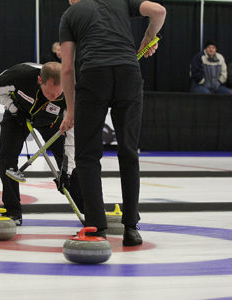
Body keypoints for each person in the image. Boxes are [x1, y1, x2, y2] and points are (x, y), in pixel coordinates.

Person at [59, 0, 166, 246]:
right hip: (128, 73)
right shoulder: (119, 1)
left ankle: (96, 228)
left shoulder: (71, 14)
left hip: (94, 75)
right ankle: (131, 228)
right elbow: (159, 11)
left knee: (87, 156)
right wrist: (148, 38)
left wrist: (71, 110)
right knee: (128, 152)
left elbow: (66, 69)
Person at [0, 62, 83, 225]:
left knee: (70, 167)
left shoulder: (73, 92)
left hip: (52, 122)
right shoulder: (19, 75)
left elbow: (71, 135)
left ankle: (88, 211)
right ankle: (13, 212)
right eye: (49, 94)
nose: (54, 97)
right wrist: (13, 109)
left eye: (57, 94)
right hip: (18, 114)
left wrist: (66, 170)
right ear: (40, 80)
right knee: (6, 157)